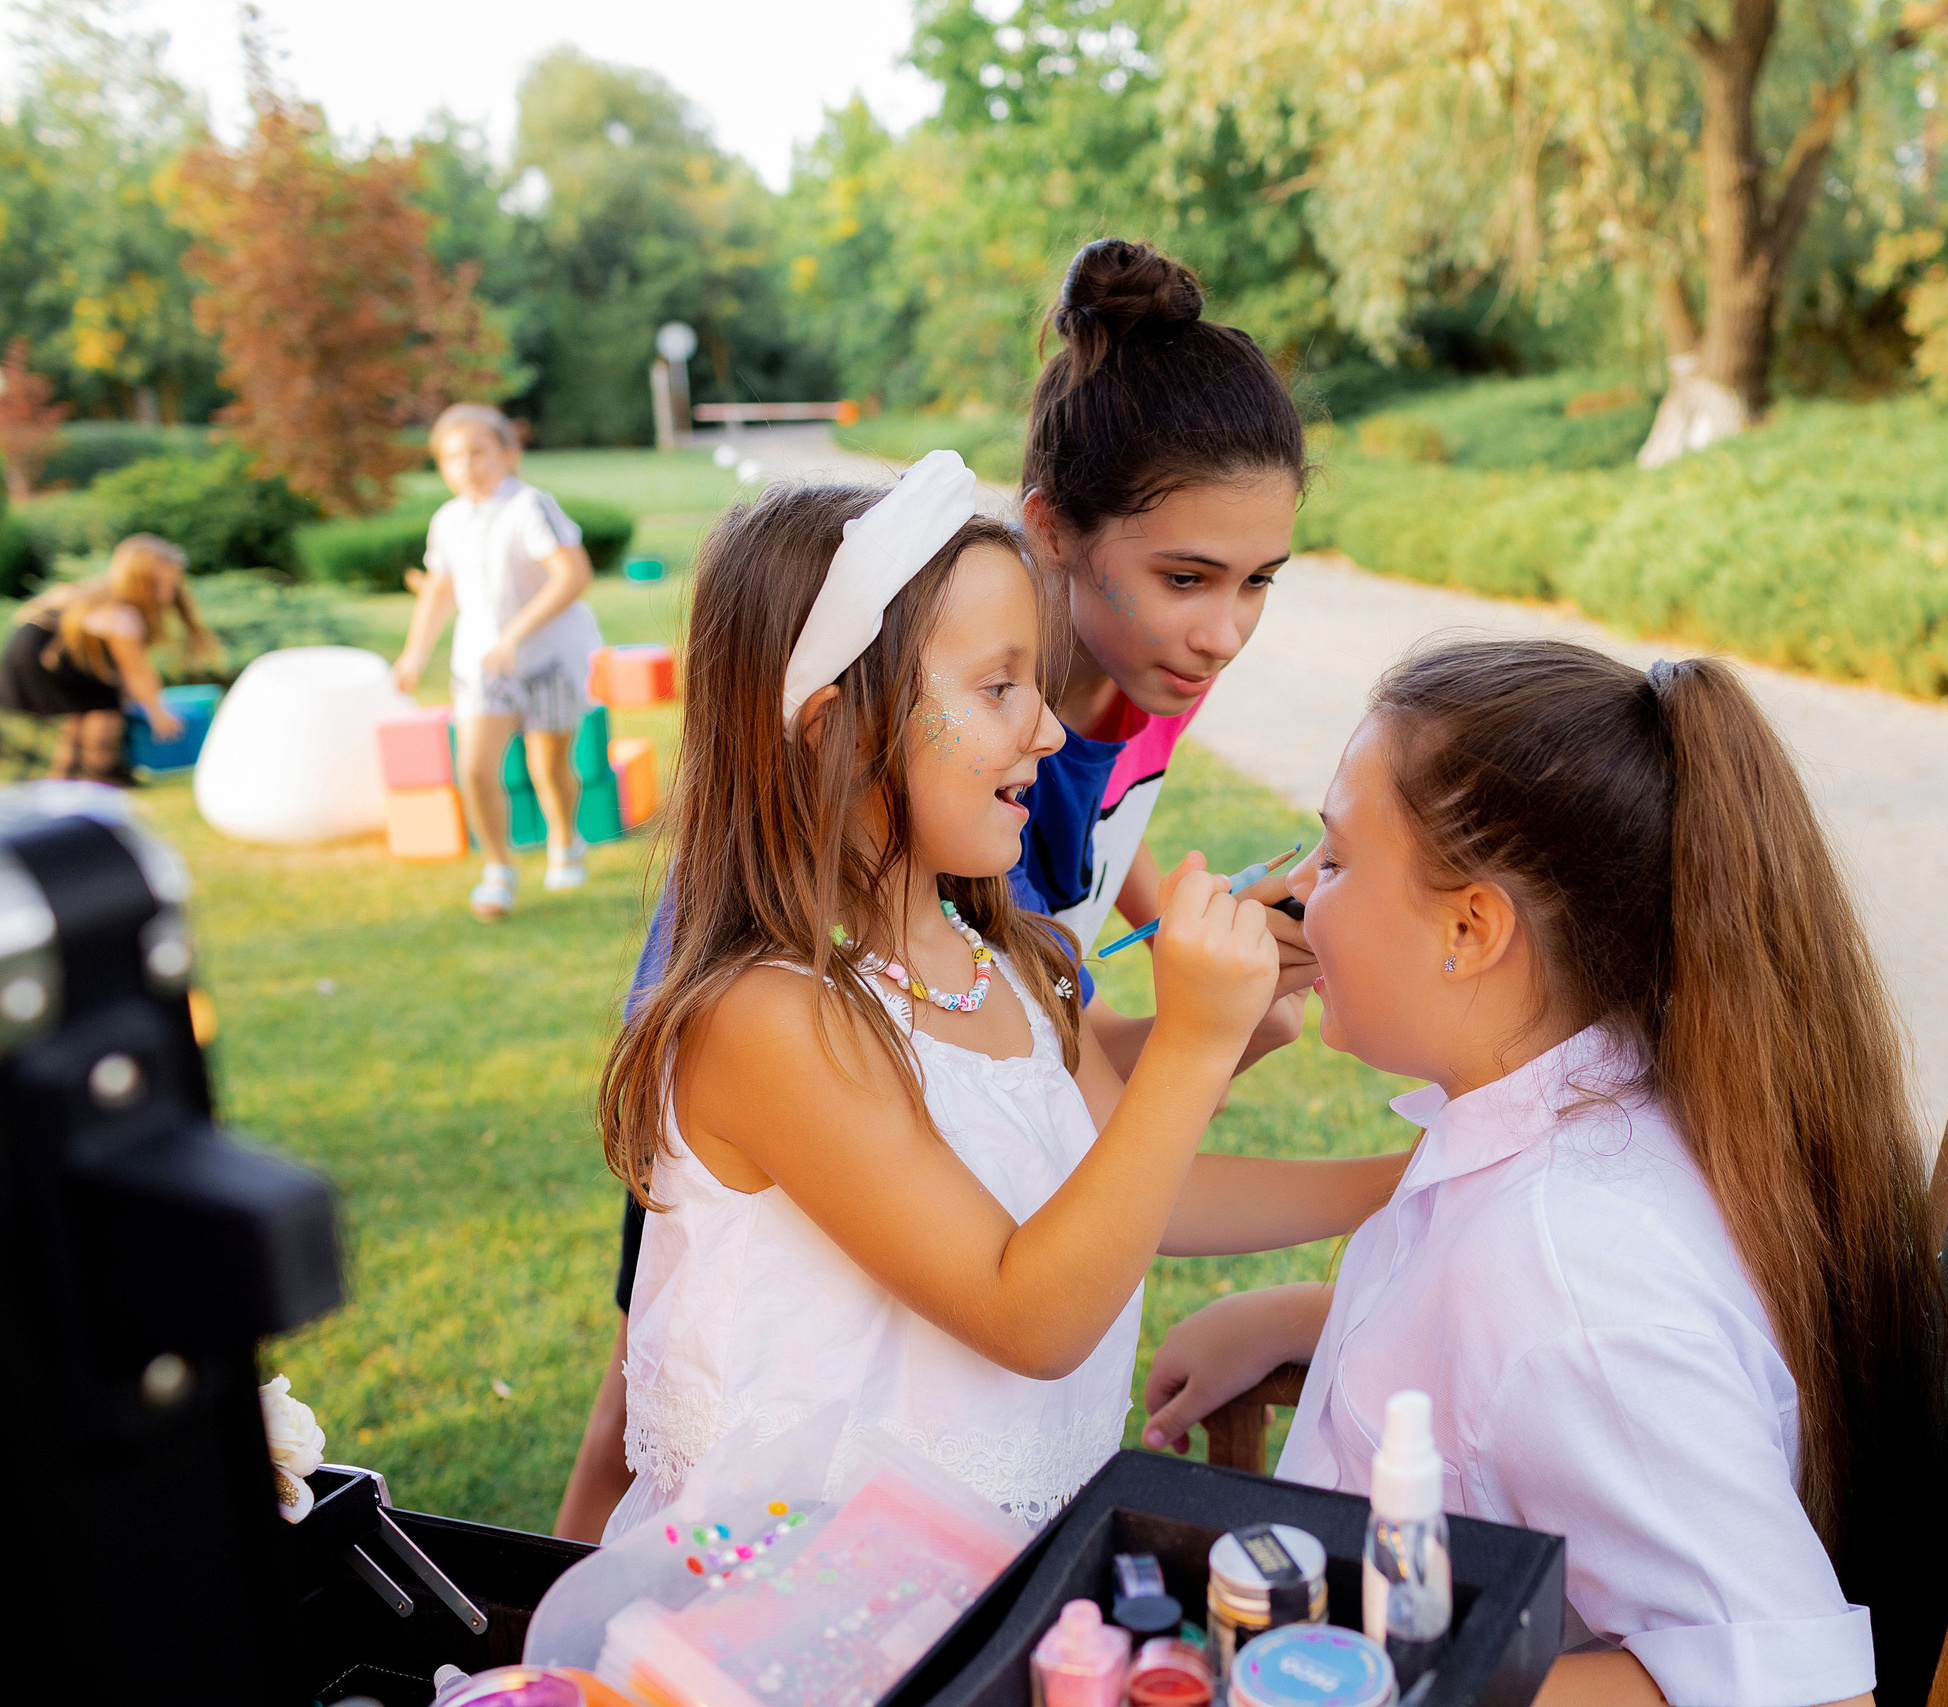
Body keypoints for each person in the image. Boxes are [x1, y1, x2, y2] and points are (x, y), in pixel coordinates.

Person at [554, 237, 1315, 1539]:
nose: (1042, 731)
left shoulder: (1007, 953)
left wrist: (1398, 1175)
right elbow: (1032, 1310)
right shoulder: (768, 1016)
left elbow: (1112, 1173)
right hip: (804, 1603)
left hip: (979, 1573)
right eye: (999, 689)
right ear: (840, 729)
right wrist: (1196, 1040)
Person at [1139, 639, 1948, 1707]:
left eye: (1333, 861)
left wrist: (1399, 1689)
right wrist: (1304, 1319)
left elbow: (1807, 1695)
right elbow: (1505, 1379)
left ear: (1471, 927)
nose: (1296, 893)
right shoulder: (1593, 1107)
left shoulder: (1567, 1278)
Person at [392, 403, 603, 921]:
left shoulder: (530, 506)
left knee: (548, 764)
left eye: (477, 453)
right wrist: (414, 654)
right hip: (482, 664)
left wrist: (515, 634)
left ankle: (565, 839)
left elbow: (573, 575)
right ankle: (499, 870)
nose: (466, 466)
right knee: (475, 768)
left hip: (549, 659)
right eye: (451, 457)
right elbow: (439, 590)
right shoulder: (447, 520)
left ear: (509, 454)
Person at [0, 534, 216, 782]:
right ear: (137, 583)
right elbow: (136, 670)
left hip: (35, 651)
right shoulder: (121, 613)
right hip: (42, 656)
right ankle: (97, 771)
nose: (165, 596)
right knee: (103, 702)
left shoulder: (99, 594)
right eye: (156, 586)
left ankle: (72, 775)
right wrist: (158, 713)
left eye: (171, 586)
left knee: (91, 703)